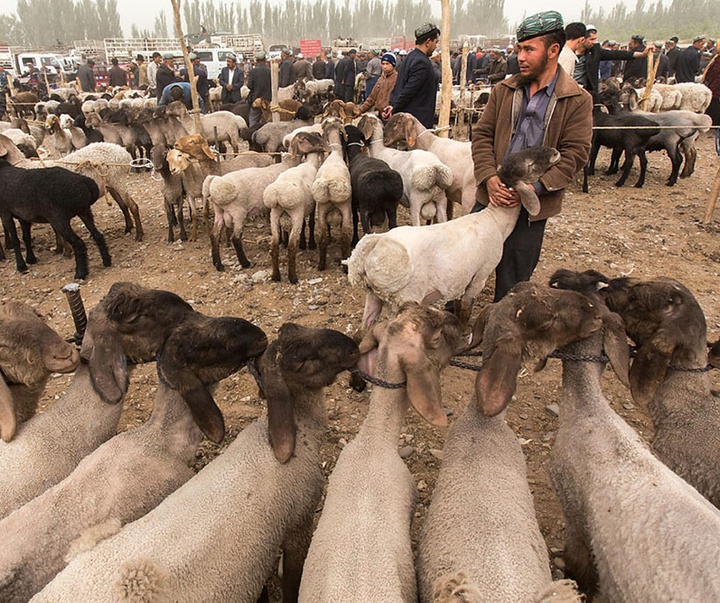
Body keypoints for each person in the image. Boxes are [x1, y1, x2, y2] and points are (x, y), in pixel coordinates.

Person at [471, 10, 592, 302]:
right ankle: (450, 326)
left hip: (532, 205)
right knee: (466, 262)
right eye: (518, 49)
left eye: (529, 49)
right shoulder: (504, 90)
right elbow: (482, 135)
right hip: (493, 194)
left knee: (513, 277)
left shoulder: (576, 100)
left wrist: (532, 189)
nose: (520, 57)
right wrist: (488, 177)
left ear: (553, 50)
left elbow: (575, 154)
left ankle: (502, 333)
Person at [382, 22, 440, 128]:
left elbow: (398, 88)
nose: (436, 46)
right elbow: (408, 91)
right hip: (416, 124)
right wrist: (394, 108)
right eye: (436, 42)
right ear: (428, 42)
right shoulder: (422, 62)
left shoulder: (409, 58)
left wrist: (392, 105)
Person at [574, 25, 648, 93]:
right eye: (591, 39)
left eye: (595, 39)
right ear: (583, 39)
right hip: (570, 89)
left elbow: (616, 54)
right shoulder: (569, 52)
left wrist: (641, 54)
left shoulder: (594, 51)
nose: (594, 42)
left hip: (587, 91)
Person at [247, 50, 271, 127]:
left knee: (253, 119)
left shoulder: (253, 72)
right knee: (268, 119)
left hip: (256, 100)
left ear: (256, 60)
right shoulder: (270, 71)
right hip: (268, 101)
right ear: (265, 60)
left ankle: (252, 134)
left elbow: (249, 86)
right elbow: (276, 86)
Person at [702, 53, 720, 125]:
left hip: (714, 86)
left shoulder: (717, 59)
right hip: (714, 86)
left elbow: (712, 73)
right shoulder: (717, 58)